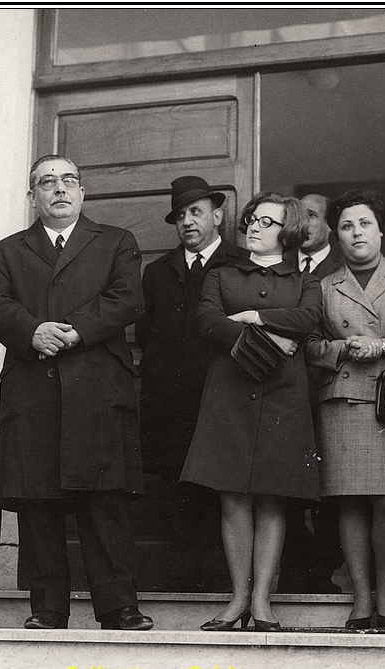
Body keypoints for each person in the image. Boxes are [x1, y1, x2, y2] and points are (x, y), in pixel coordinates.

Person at [0, 155, 153, 631]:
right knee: (39, 503)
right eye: (47, 182)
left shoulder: (117, 241)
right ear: (32, 196)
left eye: (68, 181)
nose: (59, 189)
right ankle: (47, 609)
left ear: (82, 192)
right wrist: (32, 331)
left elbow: (128, 299)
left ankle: (119, 608)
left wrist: (74, 331)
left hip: (97, 390)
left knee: (105, 503)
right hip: (34, 391)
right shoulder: (8, 250)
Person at [181, 192, 322, 632]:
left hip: (283, 398)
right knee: (233, 500)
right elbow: (206, 320)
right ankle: (238, 597)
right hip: (230, 395)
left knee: (273, 501)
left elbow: (309, 318)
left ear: (288, 231)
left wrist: (254, 317)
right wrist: (265, 339)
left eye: (266, 222)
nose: (254, 228)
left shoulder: (304, 280)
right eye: (251, 220)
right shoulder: (222, 274)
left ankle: (262, 601)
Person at [305, 190, 385, 632]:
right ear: (336, 236)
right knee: (349, 502)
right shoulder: (321, 287)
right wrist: (342, 349)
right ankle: (360, 599)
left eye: (365, 224)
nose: (357, 233)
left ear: (381, 229)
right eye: (347, 226)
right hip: (341, 399)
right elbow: (309, 345)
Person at [135, 175, 241, 593]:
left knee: (218, 485)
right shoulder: (158, 271)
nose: (187, 222)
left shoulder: (239, 264)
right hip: (168, 399)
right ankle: (181, 574)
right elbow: (146, 333)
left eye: (195, 212)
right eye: (180, 215)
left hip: (220, 395)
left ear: (217, 215)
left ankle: (218, 576)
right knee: (174, 484)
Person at [280, 192, 343, 593]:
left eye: (313, 216)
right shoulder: (279, 269)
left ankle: (326, 573)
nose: (305, 223)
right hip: (287, 393)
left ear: (329, 226)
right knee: (288, 487)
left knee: (331, 488)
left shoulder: (344, 270)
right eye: (298, 217)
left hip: (332, 391)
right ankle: (294, 570)